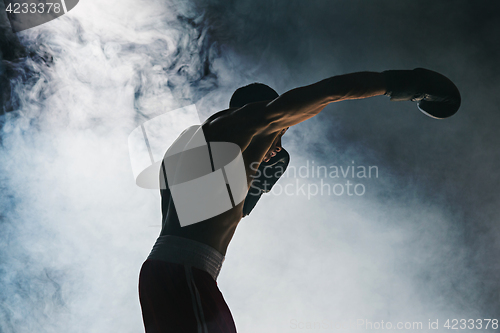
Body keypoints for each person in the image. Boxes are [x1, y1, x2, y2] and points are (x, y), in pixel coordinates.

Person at [138, 68, 461, 333]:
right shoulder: (239, 125)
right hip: (183, 275)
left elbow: (223, 211)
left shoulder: (196, 145)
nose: (280, 140)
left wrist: (257, 165)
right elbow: (330, 91)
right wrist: (406, 83)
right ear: (266, 114)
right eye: (280, 129)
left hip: (173, 273)